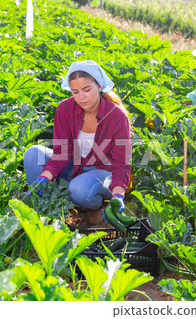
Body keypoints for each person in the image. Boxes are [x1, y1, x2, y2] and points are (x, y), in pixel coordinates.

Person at [23, 60, 131, 226]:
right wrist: (44, 177)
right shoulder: (65, 109)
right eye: (75, 91)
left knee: (80, 190)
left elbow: (121, 163)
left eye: (87, 90)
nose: (81, 97)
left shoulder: (116, 116)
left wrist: (118, 195)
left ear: (99, 86)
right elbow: (62, 152)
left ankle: (93, 207)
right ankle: (45, 214)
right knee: (33, 154)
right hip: (74, 166)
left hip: (102, 172)